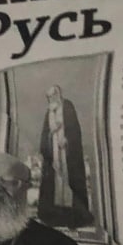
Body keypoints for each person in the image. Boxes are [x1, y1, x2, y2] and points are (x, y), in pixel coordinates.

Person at [38, 84, 94, 228]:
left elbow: (75, 129)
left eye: (53, 95)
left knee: (70, 182)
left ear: (59, 94)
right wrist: (51, 137)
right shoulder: (48, 112)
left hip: (67, 154)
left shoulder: (68, 107)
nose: (51, 99)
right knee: (54, 184)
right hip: (54, 154)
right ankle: (54, 214)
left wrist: (67, 139)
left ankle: (74, 215)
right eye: (49, 97)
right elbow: (45, 134)